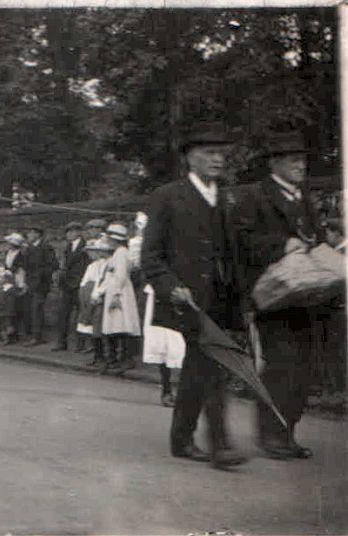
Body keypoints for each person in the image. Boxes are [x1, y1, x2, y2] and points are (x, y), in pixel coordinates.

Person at [141, 121, 247, 470]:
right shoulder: (167, 196)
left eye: (221, 153)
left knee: (197, 368)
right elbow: (151, 257)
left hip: (223, 299)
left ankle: (182, 439)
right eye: (209, 153)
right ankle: (220, 445)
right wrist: (172, 287)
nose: (218, 159)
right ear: (190, 158)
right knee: (211, 364)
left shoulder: (229, 196)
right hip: (186, 299)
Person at [232, 132, 329, 460]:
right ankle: (271, 434)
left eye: (302, 159)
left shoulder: (303, 197)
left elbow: (315, 236)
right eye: (293, 160)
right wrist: (281, 245)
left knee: (302, 367)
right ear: (275, 163)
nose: (301, 165)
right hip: (273, 294)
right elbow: (243, 240)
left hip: (307, 293)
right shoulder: (256, 196)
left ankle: (287, 433)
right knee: (280, 365)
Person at [94, 223, 141, 373]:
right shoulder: (117, 253)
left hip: (120, 293)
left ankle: (124, 359)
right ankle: (114, 358)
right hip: (115, 290)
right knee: (115, 325)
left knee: (121, 325)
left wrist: (116, 295)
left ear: (115, 239)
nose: (107, 241)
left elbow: (120, 276)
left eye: (109, 238)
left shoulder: (121, 252)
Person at [53, 221, 89, 352]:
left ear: (78, 232)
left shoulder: (85, 246)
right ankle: (61, 342)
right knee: (63, 314)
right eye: (68, 232)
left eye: (72, 231)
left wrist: (81, 282)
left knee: (81, 315)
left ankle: (81, 344)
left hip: (79, 284)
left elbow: (85, 267)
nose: (69, 234)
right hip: (67, 285)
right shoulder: (68, 247)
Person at [21, 227, 58, 347]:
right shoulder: (28, 248)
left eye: (31, 233)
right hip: (30, 283)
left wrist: (40, 276)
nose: (29, 235)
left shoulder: (46, 247)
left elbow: (53, 265)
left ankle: (37, 337)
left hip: (41, 284)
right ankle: (32, 334)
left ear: (38, 234)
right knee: (30, 309)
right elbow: (26, 266)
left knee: (37, 309)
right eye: (29, 233)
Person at [80, 238, 113, 367]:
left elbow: (106, 281)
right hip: (94, 297)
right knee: (94, 327)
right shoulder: (97, 264)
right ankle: (98, 356)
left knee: (101, 327)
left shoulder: (109, 263)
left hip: (103, 297)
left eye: (99, 251)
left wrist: (97, 293)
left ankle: (106, 356)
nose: (97, 254)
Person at [0, 232, 27, 345]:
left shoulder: (21, 254)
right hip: (7, 281)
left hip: (17, 280)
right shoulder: (8, 253)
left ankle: (13, 334)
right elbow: (6, 266)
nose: (8, 245)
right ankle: (6, 333)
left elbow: (20, 268)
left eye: (10, 243)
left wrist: (11, 273)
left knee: (14, 308)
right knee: (6, 307)